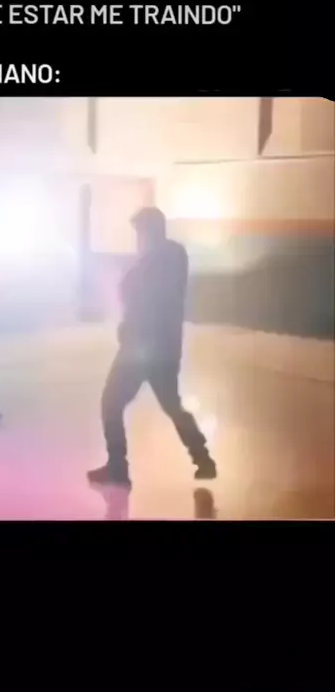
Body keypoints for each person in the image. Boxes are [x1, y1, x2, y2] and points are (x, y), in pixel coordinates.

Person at [87, 206, 217, 489]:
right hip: (158, 348)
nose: (137, 237)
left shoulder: (165, 257)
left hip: (143, 348)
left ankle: (118, 468)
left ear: (150, 230)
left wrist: (130, 321)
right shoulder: (160, 257)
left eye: (139, 231)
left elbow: (148, 297)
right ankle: (203, 459)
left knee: (111, 403)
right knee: (171, 405)